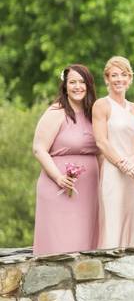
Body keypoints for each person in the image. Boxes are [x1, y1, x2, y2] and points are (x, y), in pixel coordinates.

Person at [32, 65, 101, 255]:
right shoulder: (56, 112)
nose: (77, 86)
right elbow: (39, 149)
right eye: (72, 82)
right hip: (59, 187)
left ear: (89, 85)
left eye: (81, 82)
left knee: (87, 244)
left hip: (90, 191)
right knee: (61, 245)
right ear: (65, 86)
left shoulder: (93, 113)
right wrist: (59, 178)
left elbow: (102, 151)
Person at [92, 56, 134, 248]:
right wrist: (123, 165)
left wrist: (132, 162)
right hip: (112, 172)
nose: (119, 79)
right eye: (114, 75)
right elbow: (101, 142)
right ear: (107, 79)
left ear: (130, 79)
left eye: (124, 75)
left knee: (131, 219)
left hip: (133, 174)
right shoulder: (101, 105)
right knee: (112, 219)